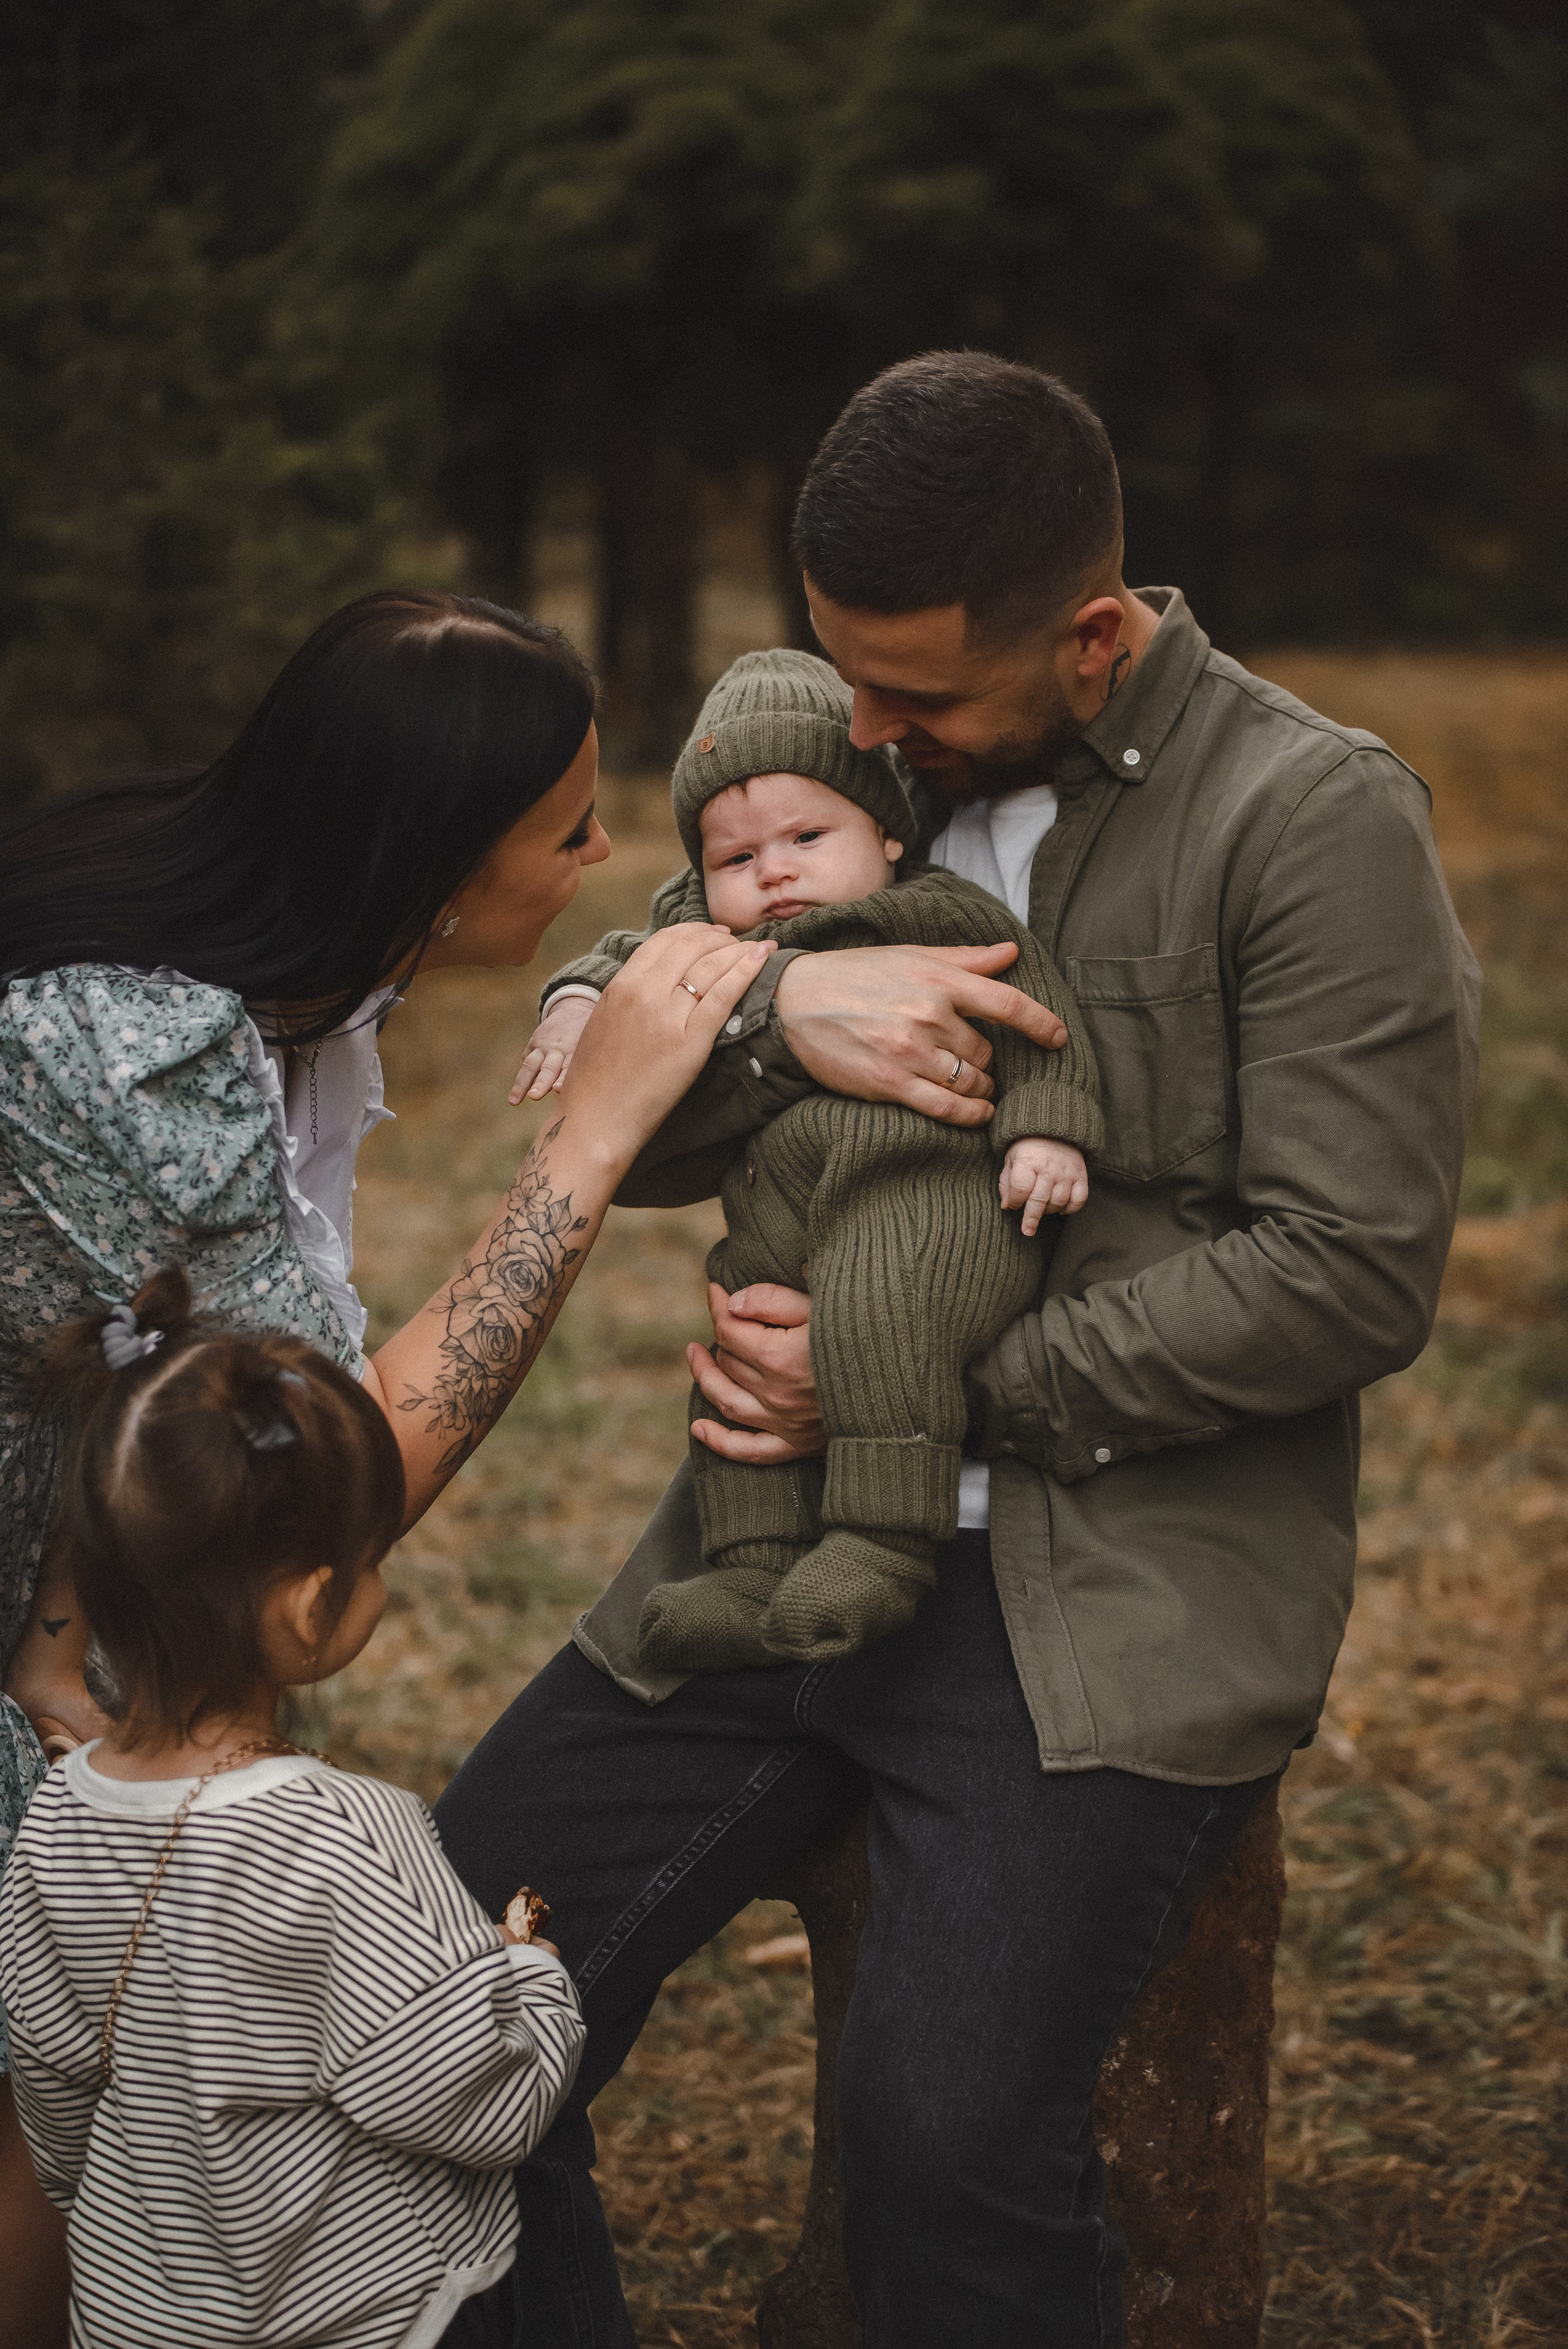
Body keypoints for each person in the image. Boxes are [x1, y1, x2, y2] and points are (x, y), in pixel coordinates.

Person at [434, 354, 1481, 2348]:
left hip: (1098, 1595)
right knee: (426, 2011)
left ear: (1093, 636)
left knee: (939, 2150)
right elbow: (626, 1085)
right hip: (762, 1552)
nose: (869, 734)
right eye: (849, 682)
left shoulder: (1307, 817)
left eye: (914, 701)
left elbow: (1351, 1270)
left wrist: (917, 1388)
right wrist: (776, 1020)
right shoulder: (848, 777)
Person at [0, 586, 876, 2342]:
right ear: (438, 868)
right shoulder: (127, 1054)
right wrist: (596, 1136)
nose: (606, 850)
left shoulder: (292, 954)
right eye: (568, 830)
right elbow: (320, 1476)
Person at [0, 1266, 585, 2349]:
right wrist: (528, 1978)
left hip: (144, 2319)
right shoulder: (350, 1836)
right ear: (311, 1606)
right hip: (362, 2317)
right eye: (371, 1562)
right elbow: (475, 2101)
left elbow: (53, 2092)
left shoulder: (53, 1820)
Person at [515, 647, 1101, 1672]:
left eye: (805, 836)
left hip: (927, 1204)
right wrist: (571, 1010)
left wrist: (1047, 1128)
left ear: (884, 829)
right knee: (739, 1335)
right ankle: (750, 1565)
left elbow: (1036, 1011)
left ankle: (884, 1541)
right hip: (788, 1214)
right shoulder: (705, 937)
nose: (773, 870)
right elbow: (615, 965)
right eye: (735, 858)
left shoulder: (935, 911)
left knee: (881, 1313)